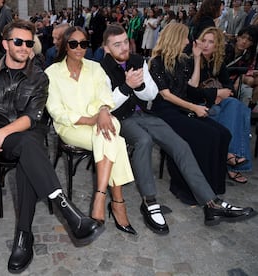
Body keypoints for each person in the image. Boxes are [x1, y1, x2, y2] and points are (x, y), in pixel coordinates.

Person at [0, 20, 103, 274]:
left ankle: (24, 237)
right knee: (27, 148)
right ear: (5, 44)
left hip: (26, 134)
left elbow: (32, 117)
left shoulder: (39, 77)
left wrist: (0, 133)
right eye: (18, 41)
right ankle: (66, 210)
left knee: (28, 150)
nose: (24, 47)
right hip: (3, 141)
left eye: (29, 42)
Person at [100, 23, 255, 234]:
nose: (124, 47)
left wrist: (139, 86)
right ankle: (149, 201)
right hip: (120, 118)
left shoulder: (137, 61)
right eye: (117, 45)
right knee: (143, 141)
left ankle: (211, 203)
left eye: (126, 42)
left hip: (145, 113)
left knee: (180, 145)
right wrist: (127, 87)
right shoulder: (100, 69)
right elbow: (107, 103)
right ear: (107, 48)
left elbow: (152, 94)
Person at [45, 26, 136, 235]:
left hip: (101, 121)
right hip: (72, 127)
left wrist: (103, 111)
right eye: (74, 44)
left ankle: (100, 196)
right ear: (65, 46)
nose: (79, 48)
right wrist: (91, 119)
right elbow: (57, 112)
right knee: (116, 140)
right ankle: (116, 203)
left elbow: (106, 96)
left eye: (84, 44)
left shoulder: (95, 68)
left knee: (108, 132)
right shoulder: (52, 73)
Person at [148, 22, 233, 205]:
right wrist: (193, 107)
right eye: (185, 37)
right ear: (176, 38)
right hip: (164, 112)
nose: (188, 40)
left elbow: (192, 86)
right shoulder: (156, 62)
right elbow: (166, 95)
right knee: (205, 135)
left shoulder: (183, 60)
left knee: (223, 134)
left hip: (183, 108)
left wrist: (195, 58)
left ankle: (214, 187)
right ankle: (188, 190)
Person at [197, 27, 252, 183]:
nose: (206, 45)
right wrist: (215, 94)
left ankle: (231, 155)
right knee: (222, 111)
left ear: (217, 46)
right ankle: (232, 163)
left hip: (217, 100)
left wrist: (223, 93)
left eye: (211, 42)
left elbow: (229, 85)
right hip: (199, 103)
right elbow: (190, 90)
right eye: (204, 41)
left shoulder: (217, 62)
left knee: (236, 106)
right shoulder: (192, 59)